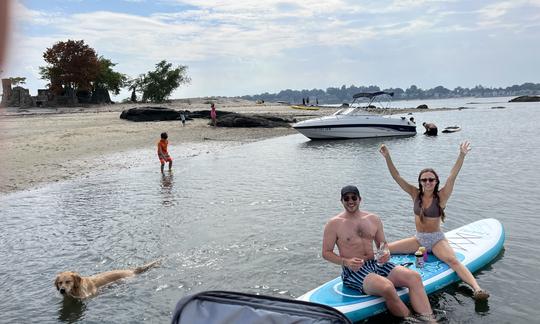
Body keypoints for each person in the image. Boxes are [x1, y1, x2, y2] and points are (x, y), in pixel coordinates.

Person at [379, 142, 489, 300]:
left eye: (431, 180)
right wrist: (387, 157)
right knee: (385, 249)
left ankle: (477, 289)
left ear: (436, 181)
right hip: (418, 239)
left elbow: (452, 176)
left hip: (436, 240)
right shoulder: (414, 193)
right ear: (420, 182)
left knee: (453, 261)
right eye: (424, 180)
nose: (428, 182)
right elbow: (397, 176)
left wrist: (462, 155)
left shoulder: (442, 196)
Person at [322, 185, 433, 318]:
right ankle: (410, 319)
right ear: (342, 201)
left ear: (359, 199)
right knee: (387, 287)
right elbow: (326, 252)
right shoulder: (334, 224)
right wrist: (346, 262)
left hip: (375, 264)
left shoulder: (373, 219)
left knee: (414, 278)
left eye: (353, 197)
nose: (350, 201)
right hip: (354, 270)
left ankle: (429, 319)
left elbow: (383, 244)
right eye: (346, 198)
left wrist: (385, 253)